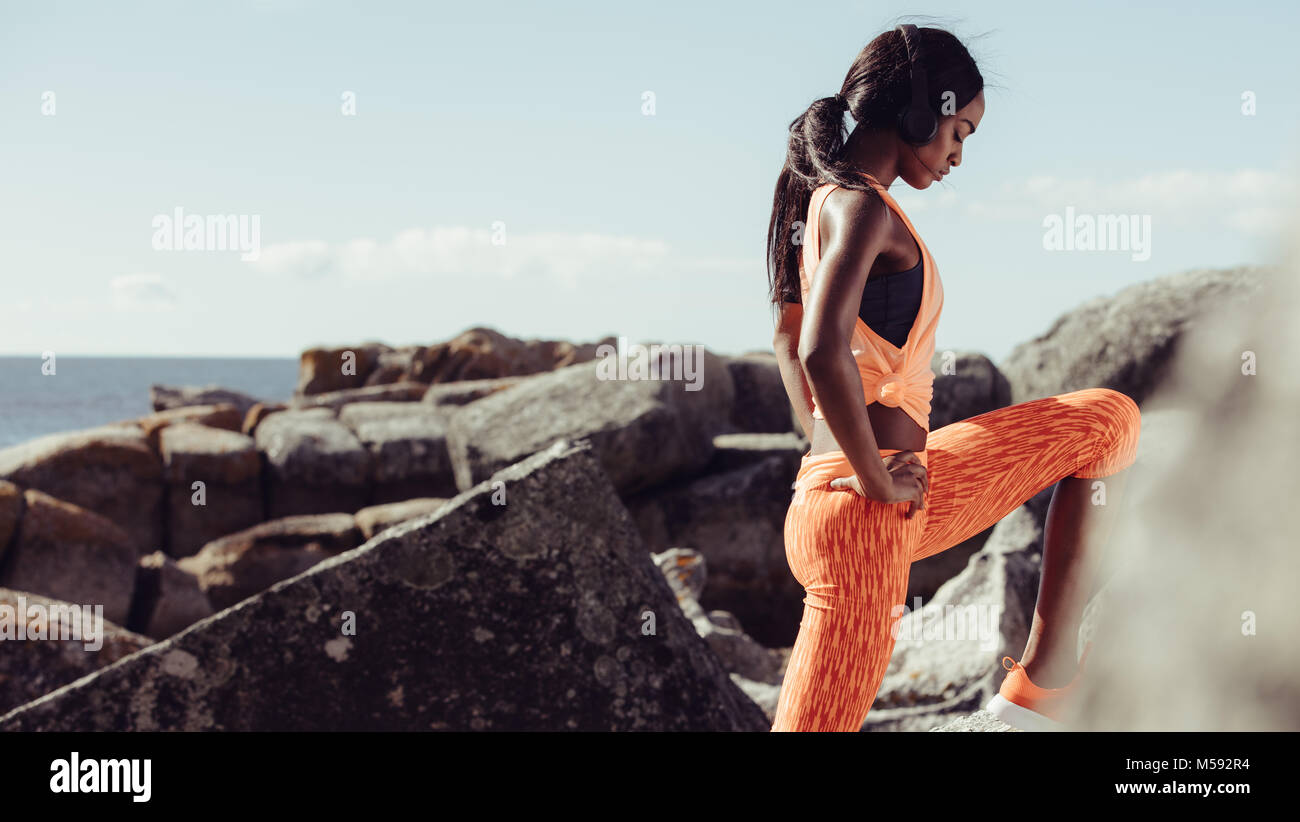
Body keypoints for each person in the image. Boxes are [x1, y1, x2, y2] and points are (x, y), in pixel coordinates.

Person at [766, 24, 1141, 731]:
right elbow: (818, 349)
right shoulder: (863, 207)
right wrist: (868, 477)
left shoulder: (814, 200)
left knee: (1106, 421)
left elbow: (786, 341)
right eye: (960, 130)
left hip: (885, 495)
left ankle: (1040, 696)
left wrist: (824, 459)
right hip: (866, 518)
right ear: (921, 110)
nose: (958, 155)